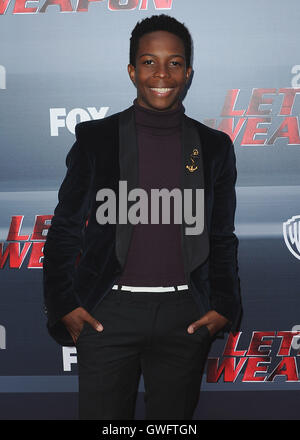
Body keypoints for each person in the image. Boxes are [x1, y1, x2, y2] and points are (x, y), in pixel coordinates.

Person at [43, 14, 241, 420]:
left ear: (188, 72)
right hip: (107, 314)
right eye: (149, 62)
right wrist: (63, 303)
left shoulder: (214, 147)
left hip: (185, 316)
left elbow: (222, 235)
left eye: (174, 62)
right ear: (132, 70)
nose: (162, 73)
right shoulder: (96, 140)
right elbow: (65, 229)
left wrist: (223, 305)